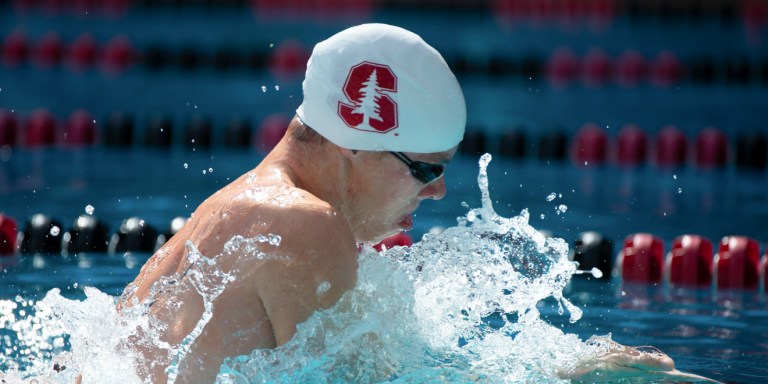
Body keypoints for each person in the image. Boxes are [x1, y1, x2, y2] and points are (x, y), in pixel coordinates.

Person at [118, 23, 697, 383]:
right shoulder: (302, 224)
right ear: (355, 143)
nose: (440, 190)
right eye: (425, 169)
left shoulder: (244, 205)